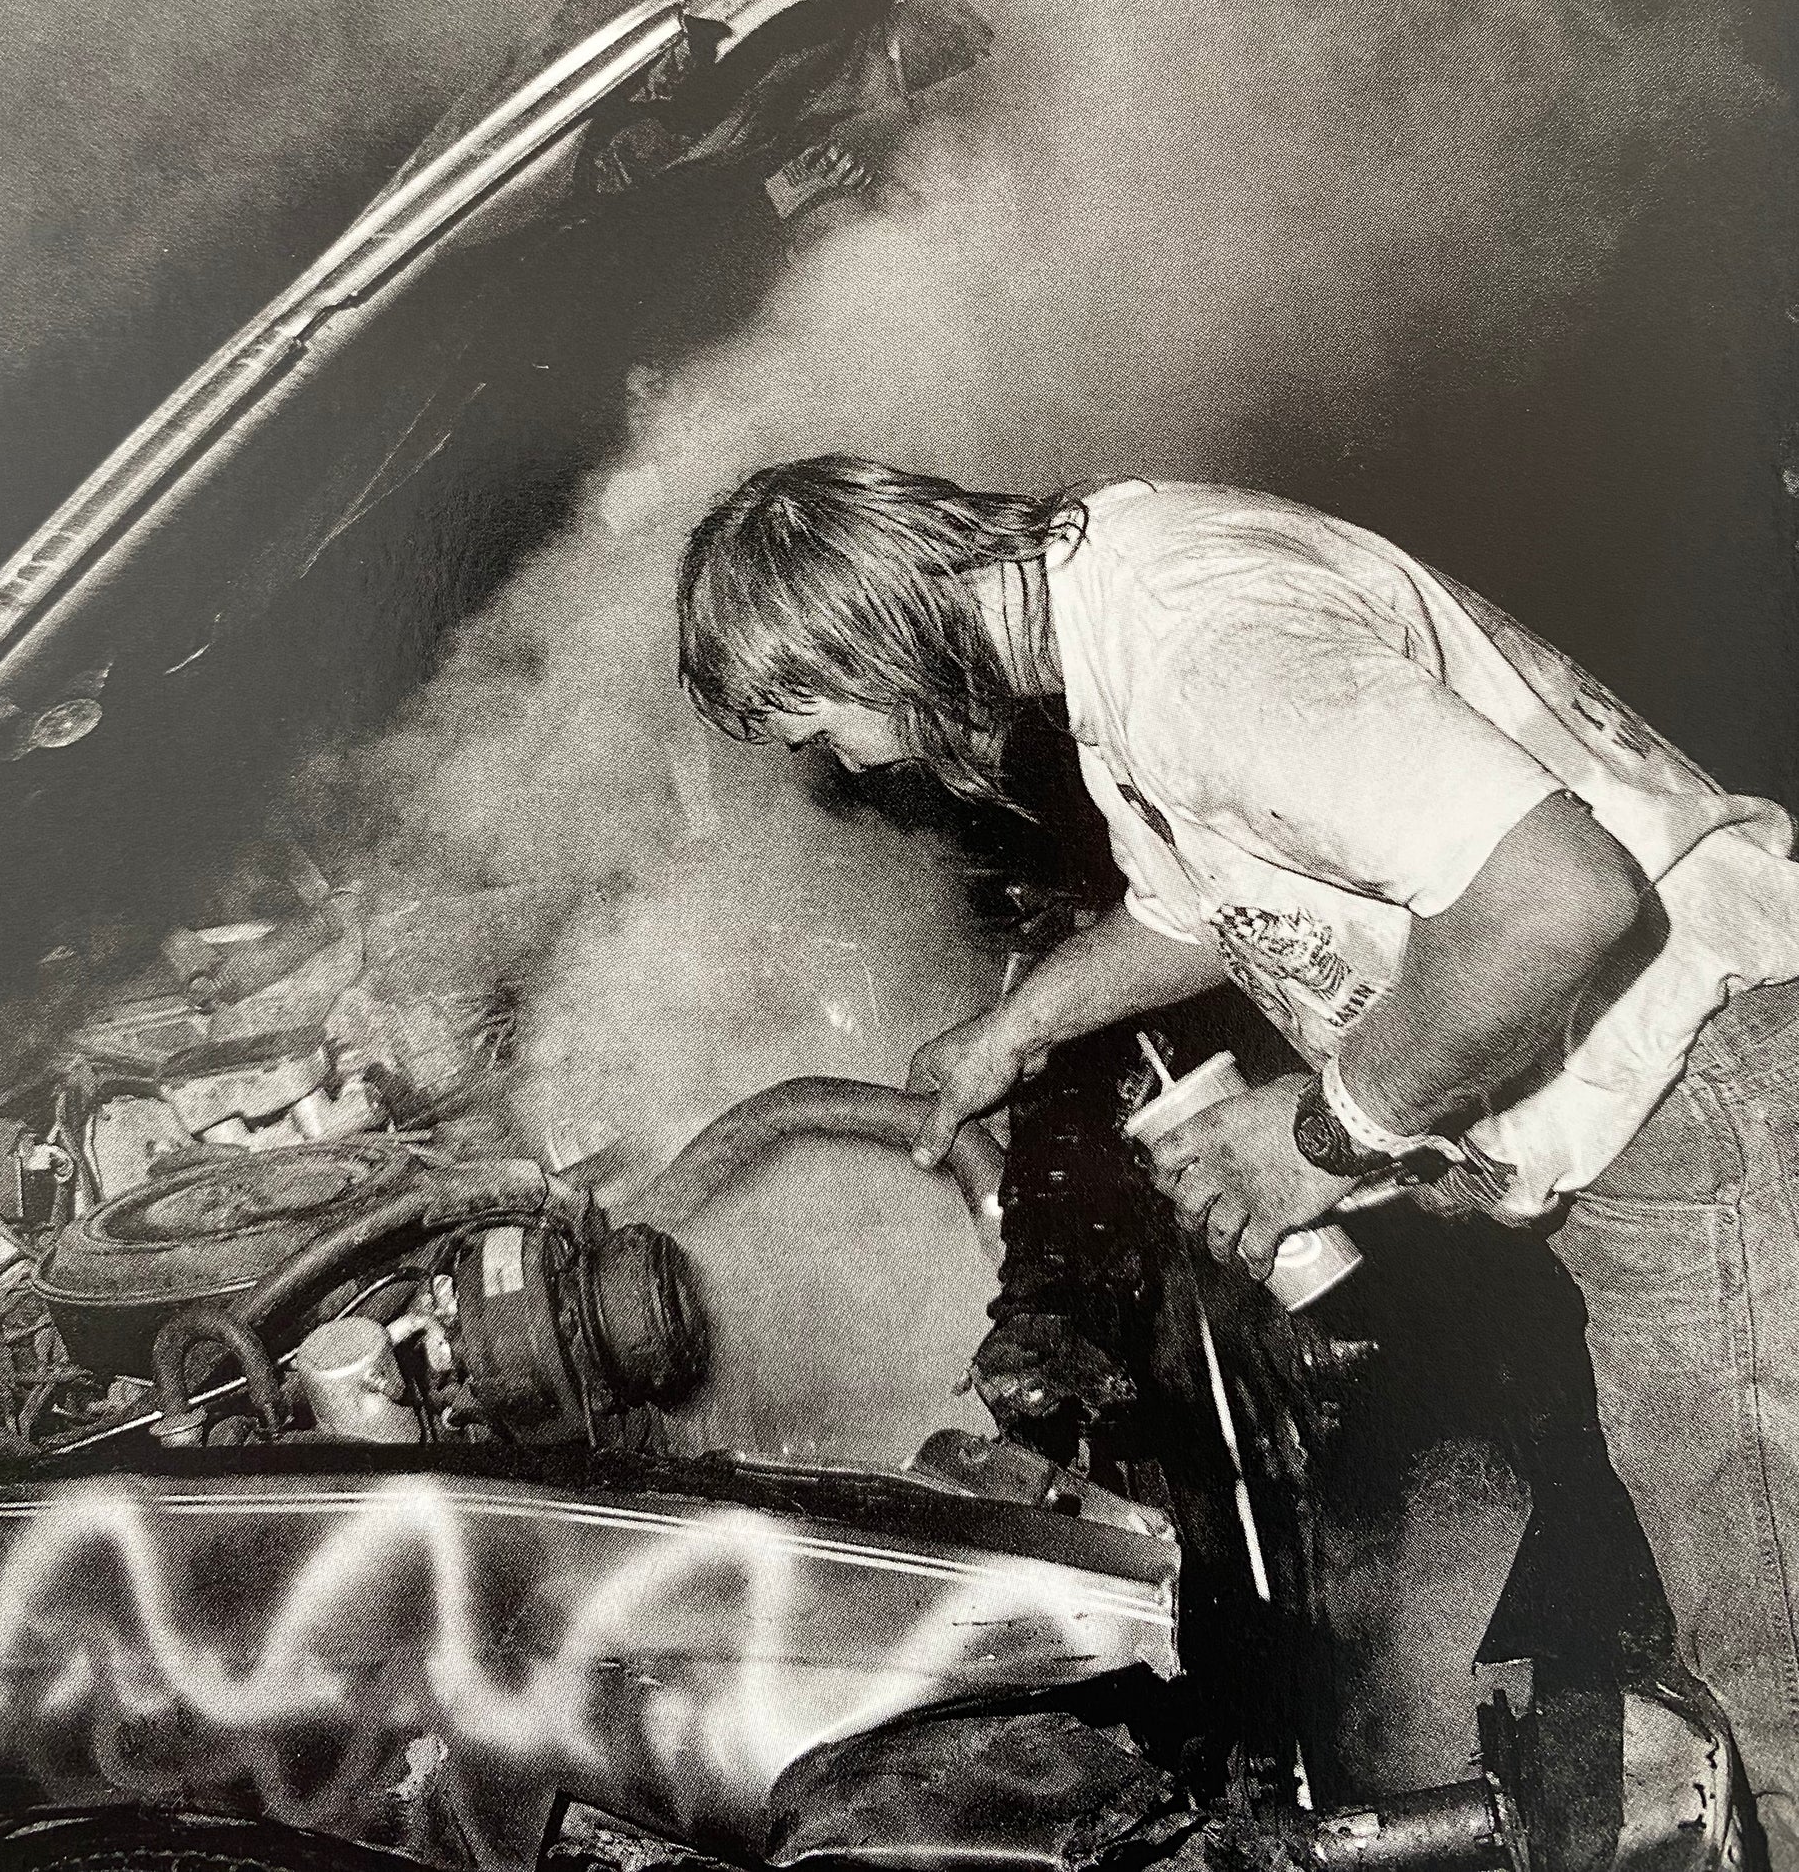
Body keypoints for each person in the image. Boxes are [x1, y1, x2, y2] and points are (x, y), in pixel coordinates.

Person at [677, 455, 1799, 1859]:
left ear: (869, 642)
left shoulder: (1196, 653)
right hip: (1658, 1123)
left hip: (1704, 1107)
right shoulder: (1113, 609)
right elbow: (1203, 906)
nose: (849, 762)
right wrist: (1013, 1029)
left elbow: (1556, 899)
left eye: (820, 721)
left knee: (1770, 1664)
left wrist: (1328, 1131)